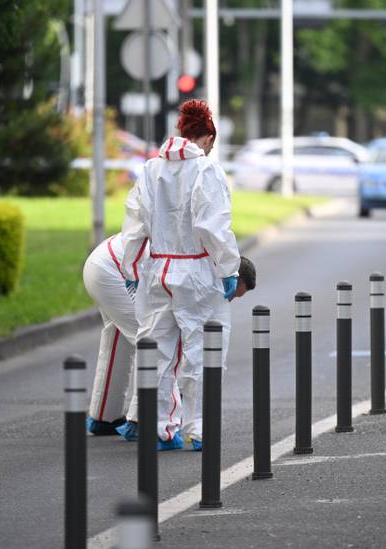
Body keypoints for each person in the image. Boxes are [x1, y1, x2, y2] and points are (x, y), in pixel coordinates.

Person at [117, 99, 245, 451]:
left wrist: (130, 266)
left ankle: (158, 429)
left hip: (158, 270)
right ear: (206, 138)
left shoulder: (151, 169)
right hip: (198, 270)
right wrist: (229, 267)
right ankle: (199, 428)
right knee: (202, 353)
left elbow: (135, 224)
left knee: (156, 353)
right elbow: (214, 225)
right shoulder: (206, 171)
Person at [81, 232, 148, 436]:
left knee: (118, 339)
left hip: (100, 262)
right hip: (114, 270)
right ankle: (141, 420)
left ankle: (104, 416)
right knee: (151, 342)